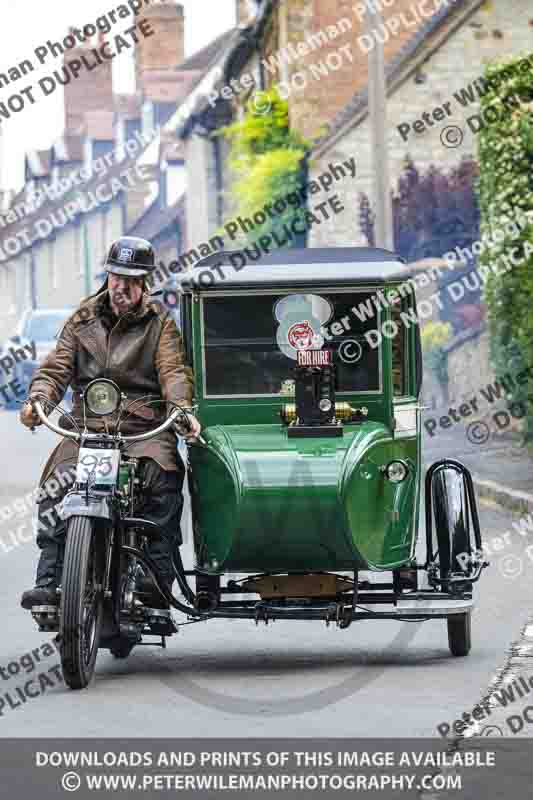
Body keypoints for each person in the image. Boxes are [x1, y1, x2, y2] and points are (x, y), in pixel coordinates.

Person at [20, 236, 201, 611]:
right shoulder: (81, 319)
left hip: (142, 430)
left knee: (162, 476)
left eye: (132, 280)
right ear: (108, 275)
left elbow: (174, 372)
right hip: (88, 427)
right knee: (58, 480)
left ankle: (155, 581)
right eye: (117, 276)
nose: (123, 286)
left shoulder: (160, 324)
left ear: (144, 283)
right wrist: (39, 401)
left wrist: (181, 408)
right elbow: (56, 368)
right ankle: (50, 581)